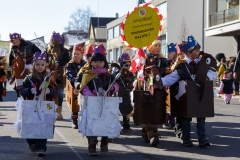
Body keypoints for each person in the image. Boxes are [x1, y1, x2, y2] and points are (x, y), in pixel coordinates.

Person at [160, 35, 216, 147]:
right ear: (189, 52)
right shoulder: (181, 65)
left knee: (201, 116)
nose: (199, 52)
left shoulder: (203, 62)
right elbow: (171, 78)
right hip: (187, 95)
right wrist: (157, 81)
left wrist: (206, 76)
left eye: (198, 49)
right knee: (186, 117)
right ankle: (186, 139)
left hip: (201, 93)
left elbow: (213, 73)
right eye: (196, 50)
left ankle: (202, 139)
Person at [75, 44, 119, 156]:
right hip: (92, 103)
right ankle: (92, 145)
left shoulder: (108, 76)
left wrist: (113, 88)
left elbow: (116, 86)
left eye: (100, 62)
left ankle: (104, 143)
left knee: (106, 122)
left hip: (106, 103)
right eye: (95, 61)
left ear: (104, 63)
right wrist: (91, 94)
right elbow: (82, 86)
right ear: (91, 62)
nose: (97, 64)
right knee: (92, 123)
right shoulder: (87, 74)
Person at [18, 51, 58, 157]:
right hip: (31, 105)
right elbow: (21, 90)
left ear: (46, 65)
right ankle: (31, 142)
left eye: (42, 65)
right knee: (30, 125)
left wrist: (50, 91)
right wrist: (29, 91)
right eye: (37, 64)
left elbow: (55, 89)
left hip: (45, 105)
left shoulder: (49, 78)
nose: (40, 67)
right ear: (33, 65)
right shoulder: (29, 78)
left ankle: (41, 148)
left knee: (43, 125)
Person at [134, 40, 167, 147]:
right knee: (146, 109)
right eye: (155, 45)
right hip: (144, 87)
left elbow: (166, 72)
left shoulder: (162, 60)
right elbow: (136, 72)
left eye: (159, 45)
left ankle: (146, 132)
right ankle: (152, 135)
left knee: (155, 111)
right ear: (149, 47)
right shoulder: (142, 59)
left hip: (158, 89)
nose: (158, 47)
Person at [8, 33, 41, 98]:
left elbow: (38, 51)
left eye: (13, 40)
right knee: (18, 79)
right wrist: (10, 64)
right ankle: (20, 93)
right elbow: (11, 57)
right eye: (11, 41)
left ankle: (33, 91)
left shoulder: (29, 44)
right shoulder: (13, 47)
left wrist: (35, 58)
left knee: (30, 78)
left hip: (30, 64)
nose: (12, 42)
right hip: (19, 66)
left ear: (17, 39)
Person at [47, 31, 70, 120]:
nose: (51, 41)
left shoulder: (64, 51)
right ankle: (49, 110)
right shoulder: (47, 50)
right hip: (49, 74)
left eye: (53, 39)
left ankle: (58, 111)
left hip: (60, 74)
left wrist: (59, 63)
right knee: (49, 92)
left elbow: (67, 61)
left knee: (60, 93)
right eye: (51, 39)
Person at [65, 43, 86, 128]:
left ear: (81, 55)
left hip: (83, 86)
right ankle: (75, 121)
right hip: (74, 86)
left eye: (78, 54)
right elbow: (68, 75)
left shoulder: (85, 64)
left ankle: (84, 120)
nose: (76, 56)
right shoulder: (69, 65)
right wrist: (76, 83)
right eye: (74, 54)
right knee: (75, 104)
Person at [116, 49, 135, 131]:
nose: (127, 66)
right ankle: (116, 123)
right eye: (125, 64)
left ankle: (126, 122)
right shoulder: (117, 73)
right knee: (118, 107)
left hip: (128, 91)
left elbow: (134, 81)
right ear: (120, 64)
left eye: (128, 64)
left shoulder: (131, 74)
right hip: (119, 92)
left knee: (128, 106)